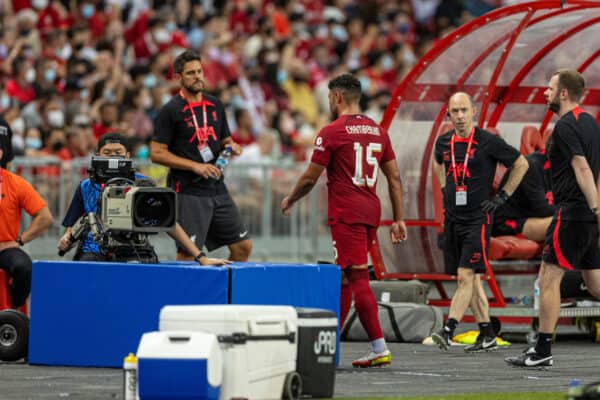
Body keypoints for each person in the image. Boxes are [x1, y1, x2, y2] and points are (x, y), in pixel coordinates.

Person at [281, 73, 408, 368]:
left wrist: (291, 198)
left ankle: (378, 347)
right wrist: (399, 218)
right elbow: (395, 177)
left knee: (358, 278)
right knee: (347, 276)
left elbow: (311, 176)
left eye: (329, 96)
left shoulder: (332, 132)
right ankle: (330, 343)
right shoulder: (378, 130)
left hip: (347, 214)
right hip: (370, 211)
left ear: (337, 97)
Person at [505, 70, 600, 368]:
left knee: (548, 278)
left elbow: (583, 168)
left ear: (563, 93)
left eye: (549, 88)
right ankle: (542, 348)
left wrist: (594, 207)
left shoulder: (565, 127)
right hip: (587, 216)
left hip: (573, 212)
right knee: (596, 284)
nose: (544, 93)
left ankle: (542, 350)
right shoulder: (591, 123)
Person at [431, 92, 529, 352]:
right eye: (455, 111)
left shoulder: (488, 141)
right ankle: (487, 334)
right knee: (472, 279)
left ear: (474, 111)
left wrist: (502, 197)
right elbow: (437, 163)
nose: (460, 116)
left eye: (464, 110)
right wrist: (444, 189)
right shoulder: (443, 143)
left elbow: (521, 164)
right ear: (448, 115)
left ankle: (448, 328)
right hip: (453, 218)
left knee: (465, 276)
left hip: (478, 218)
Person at [58, 132, 228, 266]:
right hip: (92, 254)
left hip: (133, 250)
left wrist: (201, 257)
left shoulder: (143, 182)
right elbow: (71, 227)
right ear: (98, 155)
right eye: (107, 153)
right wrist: (66, 241)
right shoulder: (86, 186)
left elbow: (168, 221)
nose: (113, 157)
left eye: (118, 153)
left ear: (127, 155)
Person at [150, 50, 252, 262]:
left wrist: (232, 147)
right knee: (187, 253)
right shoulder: (170, 110)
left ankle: (226, 293)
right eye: (190, 73)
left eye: (199, 71)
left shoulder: (215, 105)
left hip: (216, 186)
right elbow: (156, 153)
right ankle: (185, 296)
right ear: (178, 78)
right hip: (188, 190)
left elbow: (224, 140)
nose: (197, 76)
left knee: (243, 247)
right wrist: (194, 166)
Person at [0, 140, 53, 308]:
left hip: (5, 249)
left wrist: (20, 240)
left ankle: (14, 312)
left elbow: (45, 217)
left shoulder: (15, 183)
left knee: (25, 268)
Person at [492, 150, 555, 242]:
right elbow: (542, 210)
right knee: (569, 222)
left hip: (534, 218)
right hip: (507, 223)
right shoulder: (531, 165)